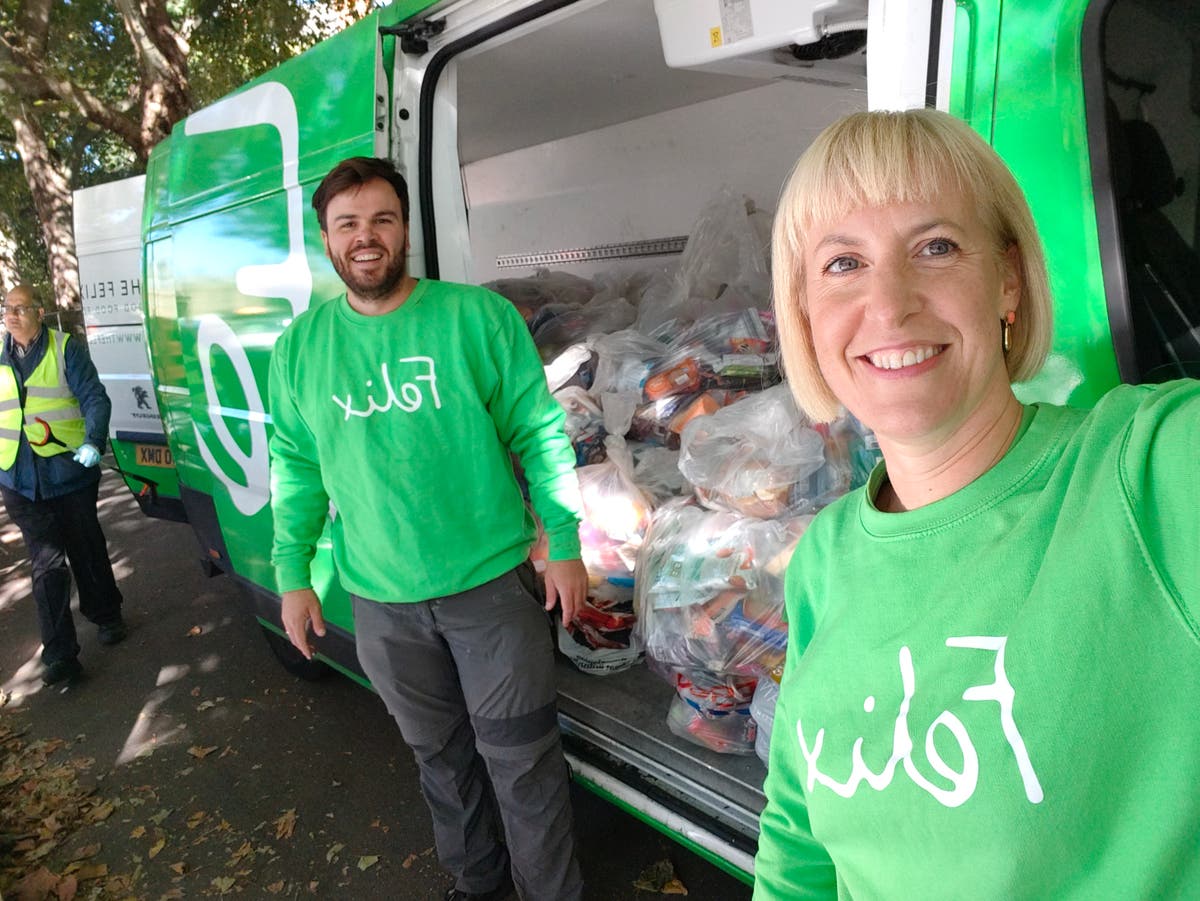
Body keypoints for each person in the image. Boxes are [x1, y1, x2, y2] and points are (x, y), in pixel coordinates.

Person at [753, 109, 1199, 899]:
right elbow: (797, 842)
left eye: (935, 247)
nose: (888, 305)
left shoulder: (1148, 472)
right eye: (844, 263)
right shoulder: (823, 555)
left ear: (1008, 280)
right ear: (806, 313)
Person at [269, 157, 586, 901]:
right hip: (382, 602)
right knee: (440, 761)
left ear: (405, 229)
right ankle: (477, 884)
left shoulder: (476, 318)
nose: (366, 236)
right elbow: (296, 468)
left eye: (382, 219)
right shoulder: (300, 349)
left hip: (491, 591)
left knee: (523, 762)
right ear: (326, 240)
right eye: (348, 224)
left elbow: (539, 431)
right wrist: (293, 576)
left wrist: (565, 541)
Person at [0, 285, 126, 687]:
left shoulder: (65, 349)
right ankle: (60, 655)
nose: (12, 315)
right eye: (7, 308)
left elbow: (95, 398)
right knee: (46, 564)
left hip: (69, 474)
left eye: (21, 308)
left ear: (40, 312)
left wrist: (93, 441)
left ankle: (106, 614)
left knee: (85, 548)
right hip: (20, 481)